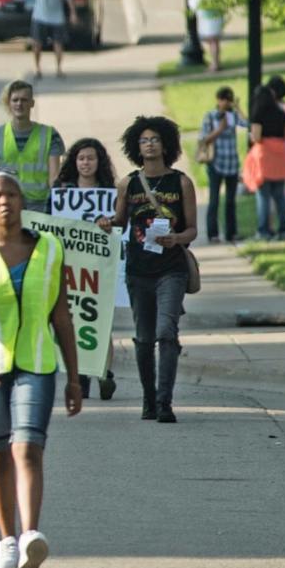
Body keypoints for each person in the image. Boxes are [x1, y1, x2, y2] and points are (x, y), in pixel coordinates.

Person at [0, 169, 82, 568]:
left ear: (22, 201)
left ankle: (30, 536)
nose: (6, 201)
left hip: (37, 361)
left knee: (27, 447)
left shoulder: (50, 249)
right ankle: (6, 540)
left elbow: (62, 318)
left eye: (12, 194)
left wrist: (75, 378)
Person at [101, 115, 196, 423]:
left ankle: (164, 401)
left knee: (166, 333)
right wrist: (106, 223)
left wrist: (178, 238)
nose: (150, 144)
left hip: (172, 268)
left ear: (166, 144)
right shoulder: (128, 183)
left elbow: (192, 228)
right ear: (136, 147)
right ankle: (148, 399)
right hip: (139, 269)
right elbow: (119, 221)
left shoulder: (180, 182)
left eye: (155, 139)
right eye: (144, 140)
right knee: (143, 338)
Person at [52, 137, 121, 400]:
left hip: (99, 267)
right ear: (74, 162)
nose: (85, 163)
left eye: (91, 158)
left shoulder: (110, 193)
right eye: (81, 158)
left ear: (99, 161)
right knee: (74, 320)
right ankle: (79, 373)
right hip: (70, 267)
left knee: (102, 321)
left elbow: (120, 227)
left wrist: (110, 223)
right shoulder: (61, 192)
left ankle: (104, 372)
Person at [0, 81, 63, 211]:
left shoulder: (49, 134)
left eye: (24, 100)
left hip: (40, 207)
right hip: (7, 204)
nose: (19, 104)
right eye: (15, 100)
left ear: (32, 103)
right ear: (9, 103)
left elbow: (54, 178)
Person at [243, 79, 285, 241]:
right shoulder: (281, 113)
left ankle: (263, 230)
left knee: (263, 197)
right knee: (280, 196)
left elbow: (256, 137)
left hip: (263, 158)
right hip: (280, 157)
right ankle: (284, 229)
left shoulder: (257, 115)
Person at [196, 87, 244, 244]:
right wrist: (220, 129)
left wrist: (238, 109)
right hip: (215, 163)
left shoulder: (233, 115)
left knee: (230, 201)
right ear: (218, 100)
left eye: (229, 100)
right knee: (214, 200)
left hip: (232, 162)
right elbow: (203, 139)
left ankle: (232, 233)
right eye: (225, 100)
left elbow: (248, 124)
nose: (226, 103)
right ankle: (213, 234)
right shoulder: (210, 116)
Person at [29, 0, 71, 79]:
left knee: (58, 43)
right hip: (40, 16)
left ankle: (58, 68)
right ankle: (37, 68)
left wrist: (73, 14)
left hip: (57, 17)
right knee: (37, 43)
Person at [190, 0, 226, 76]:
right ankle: (215, 62)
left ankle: (215, 64)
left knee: (213, 41)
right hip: (212, 17)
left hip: (211, 18)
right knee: (212, 41)